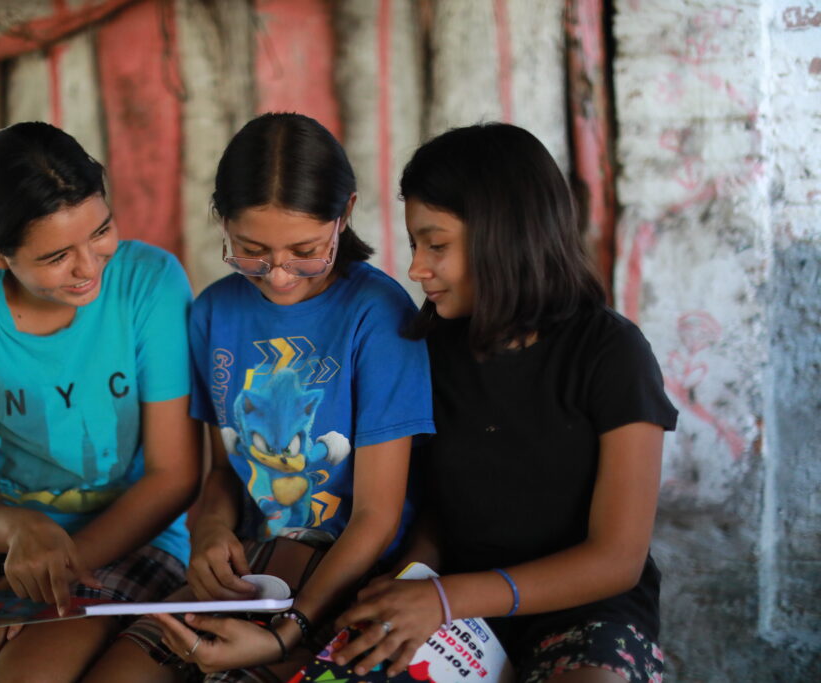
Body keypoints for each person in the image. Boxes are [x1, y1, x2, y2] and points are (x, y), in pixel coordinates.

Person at [85, 112, 435, 682]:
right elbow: (225, 469)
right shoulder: (214, 313)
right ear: (221, 220)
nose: (278, 275)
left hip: (352, 583)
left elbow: (375, 519)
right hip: (253, 571)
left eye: (305, 250)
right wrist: (210, 532)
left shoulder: (378, 318)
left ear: (344, 214)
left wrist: (286, 632)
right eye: (250, 250)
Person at [333, 123, 677, 683]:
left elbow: (617, 559)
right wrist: (411, 582)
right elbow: (436, 511)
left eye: (435, 244)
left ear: (504, 234)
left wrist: (449, 598)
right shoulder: (427, 349)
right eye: (416, 245)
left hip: (583, 612)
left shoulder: (611, 354)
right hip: (453, 610)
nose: (418, 268)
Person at [0, 121, 201, 683]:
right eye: (56, 256)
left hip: (128, 537)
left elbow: (173, 477)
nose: (89, 266)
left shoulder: (148, 284)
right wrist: (18, 534)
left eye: (101, 231)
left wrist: (40, 579)